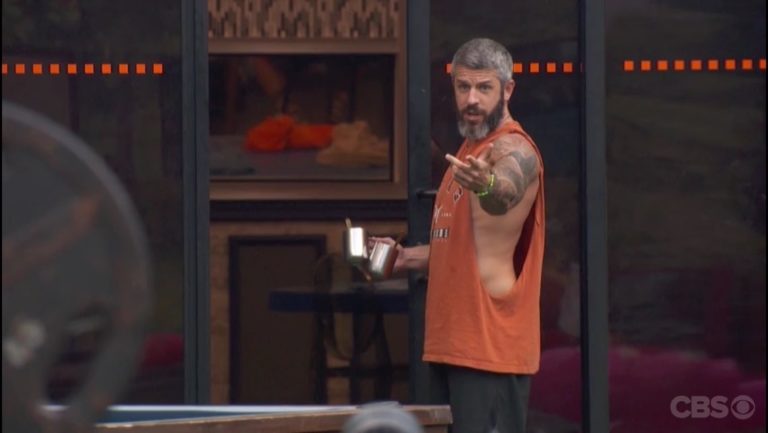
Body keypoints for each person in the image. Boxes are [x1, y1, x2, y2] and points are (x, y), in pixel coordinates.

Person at [373, 38, 545, 433]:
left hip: (490, 351)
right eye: (463, 86)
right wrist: (405, 258)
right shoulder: (467, 152)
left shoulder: (514, 148)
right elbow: (463, 246)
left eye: (484, 88)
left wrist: (487, 185)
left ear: (508, 89)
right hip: (449, 346)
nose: (471, 99)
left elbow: (505, 191)